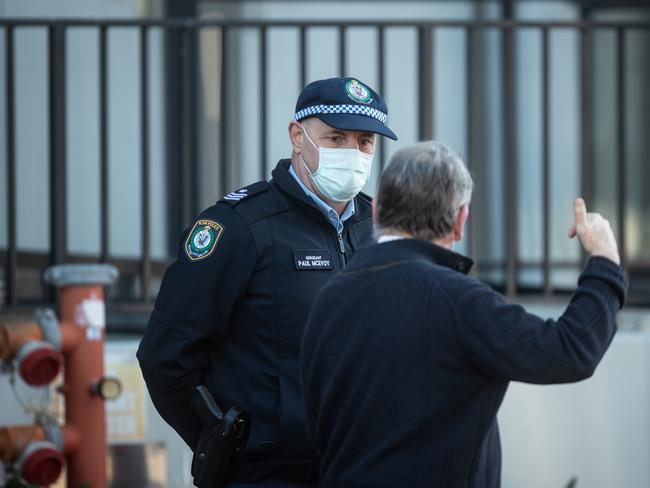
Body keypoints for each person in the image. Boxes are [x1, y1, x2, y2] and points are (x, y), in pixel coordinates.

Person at [300, 140, 627, 488]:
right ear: (460, 220)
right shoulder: (457, 299)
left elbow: (316, 419)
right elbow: (570, 350)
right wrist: (604, 260)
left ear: (377, 210)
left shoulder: (328, 298)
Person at [136, 77, 397, 487]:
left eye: (364, 141)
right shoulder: (239, 227)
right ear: (297, 136)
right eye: (335, 137)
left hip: (362, 466)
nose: (353, 152)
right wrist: (223, 441)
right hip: (266, 475)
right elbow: (164, 357)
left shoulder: (380, 228)